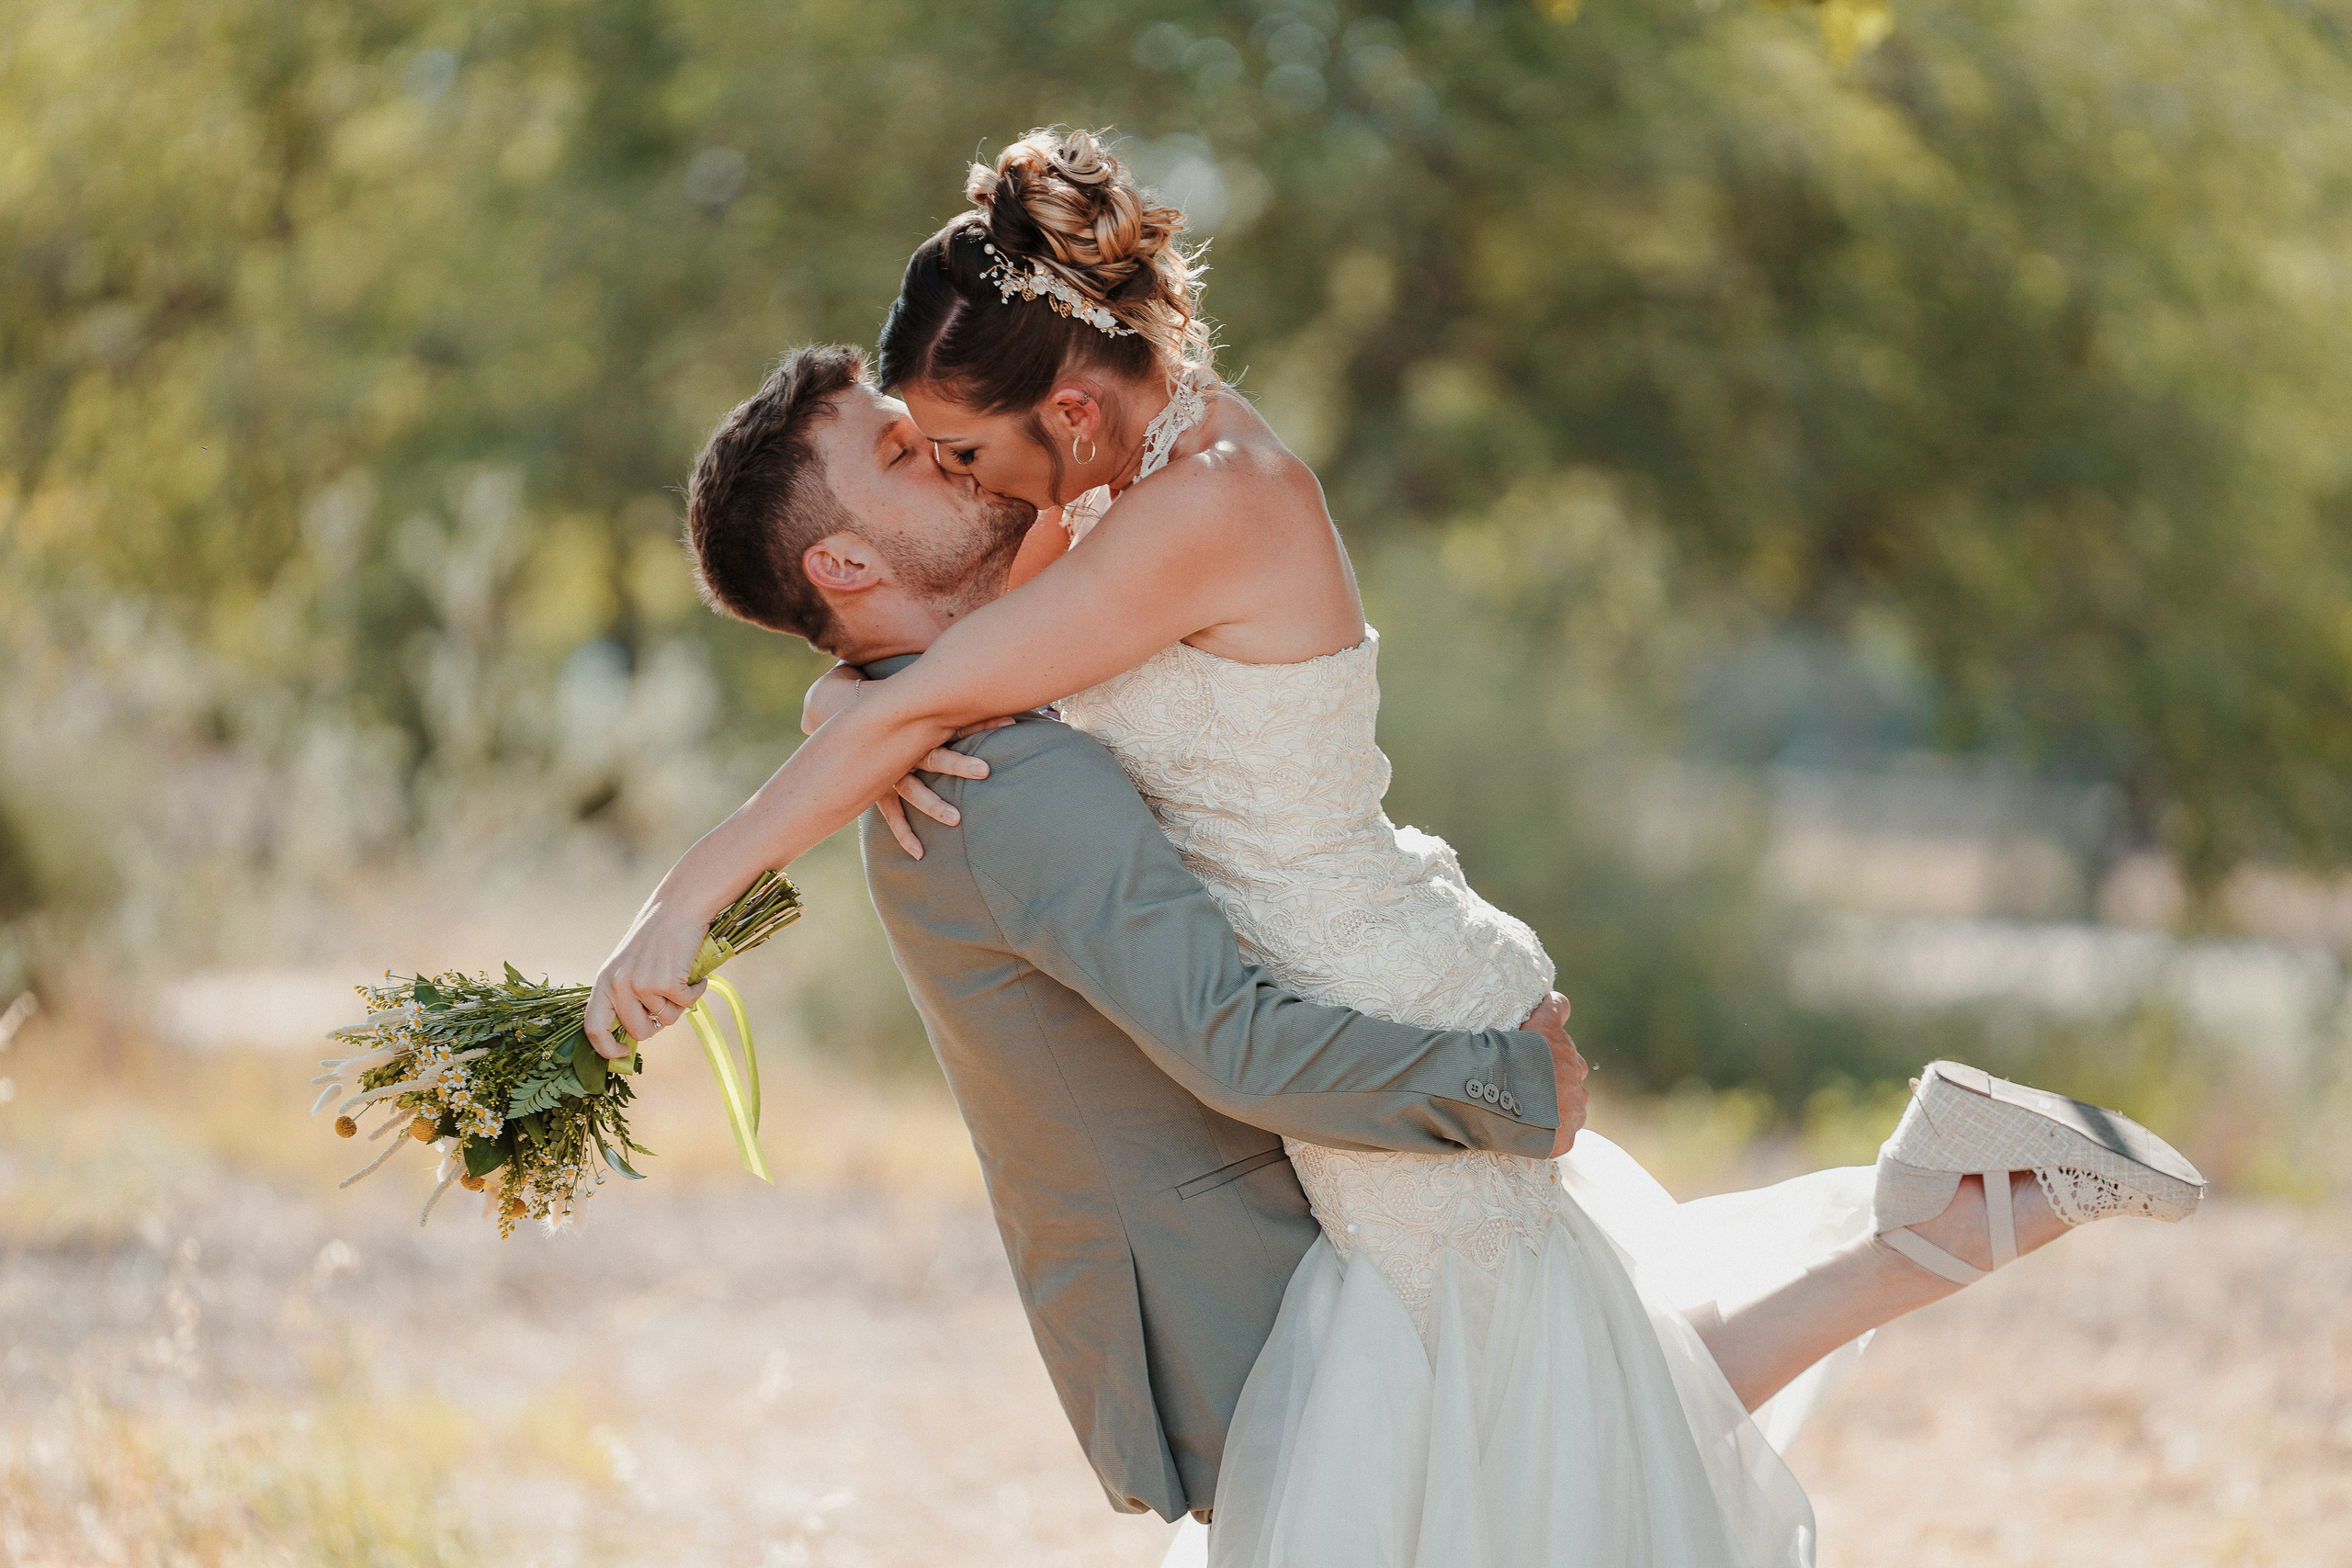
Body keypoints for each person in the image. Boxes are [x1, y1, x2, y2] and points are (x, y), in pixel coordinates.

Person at [594, 131, 2205, 1567]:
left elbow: (928, 693)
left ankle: (1966, 1201)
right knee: (1542, 1409)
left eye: (958, 451)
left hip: (1367, 985)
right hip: (1354, 966)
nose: (962, 482)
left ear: (1067, 411)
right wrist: (847, 693)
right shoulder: (1108, 495)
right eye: (930, 463)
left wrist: (682, 907)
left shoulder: (1201, 508)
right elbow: (926, 669)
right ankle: (1958, 1198)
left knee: (1511, 1435)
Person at [671, 340, 1588, 1527]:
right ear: (843, 563)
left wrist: (848, 697)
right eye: (902, 453)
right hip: (1252, 1306)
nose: (946, 449)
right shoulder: (1003, 782)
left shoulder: (962, 720)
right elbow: (1234, 1048)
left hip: (1289, 1280)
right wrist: (1511, 1085)